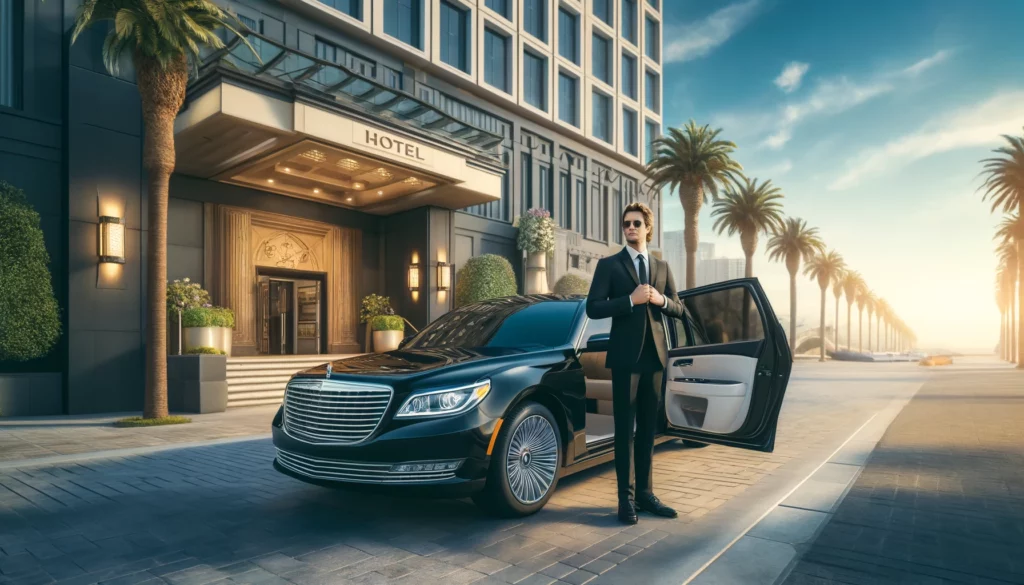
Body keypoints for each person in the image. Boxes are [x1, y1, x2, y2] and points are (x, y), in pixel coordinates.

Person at [585, 202, 684, 524]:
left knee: (647, 432)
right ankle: (625, 501)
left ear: (647, 228)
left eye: (636, 223)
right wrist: (630, 301)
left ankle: (646, 494)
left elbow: (679, 308)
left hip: (654, 357)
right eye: (626, 223)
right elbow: (593, 308)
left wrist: (661, 300)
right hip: (626, 359)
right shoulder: (609, 265)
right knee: (625, 430)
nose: (630, 227)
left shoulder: (662, 267)